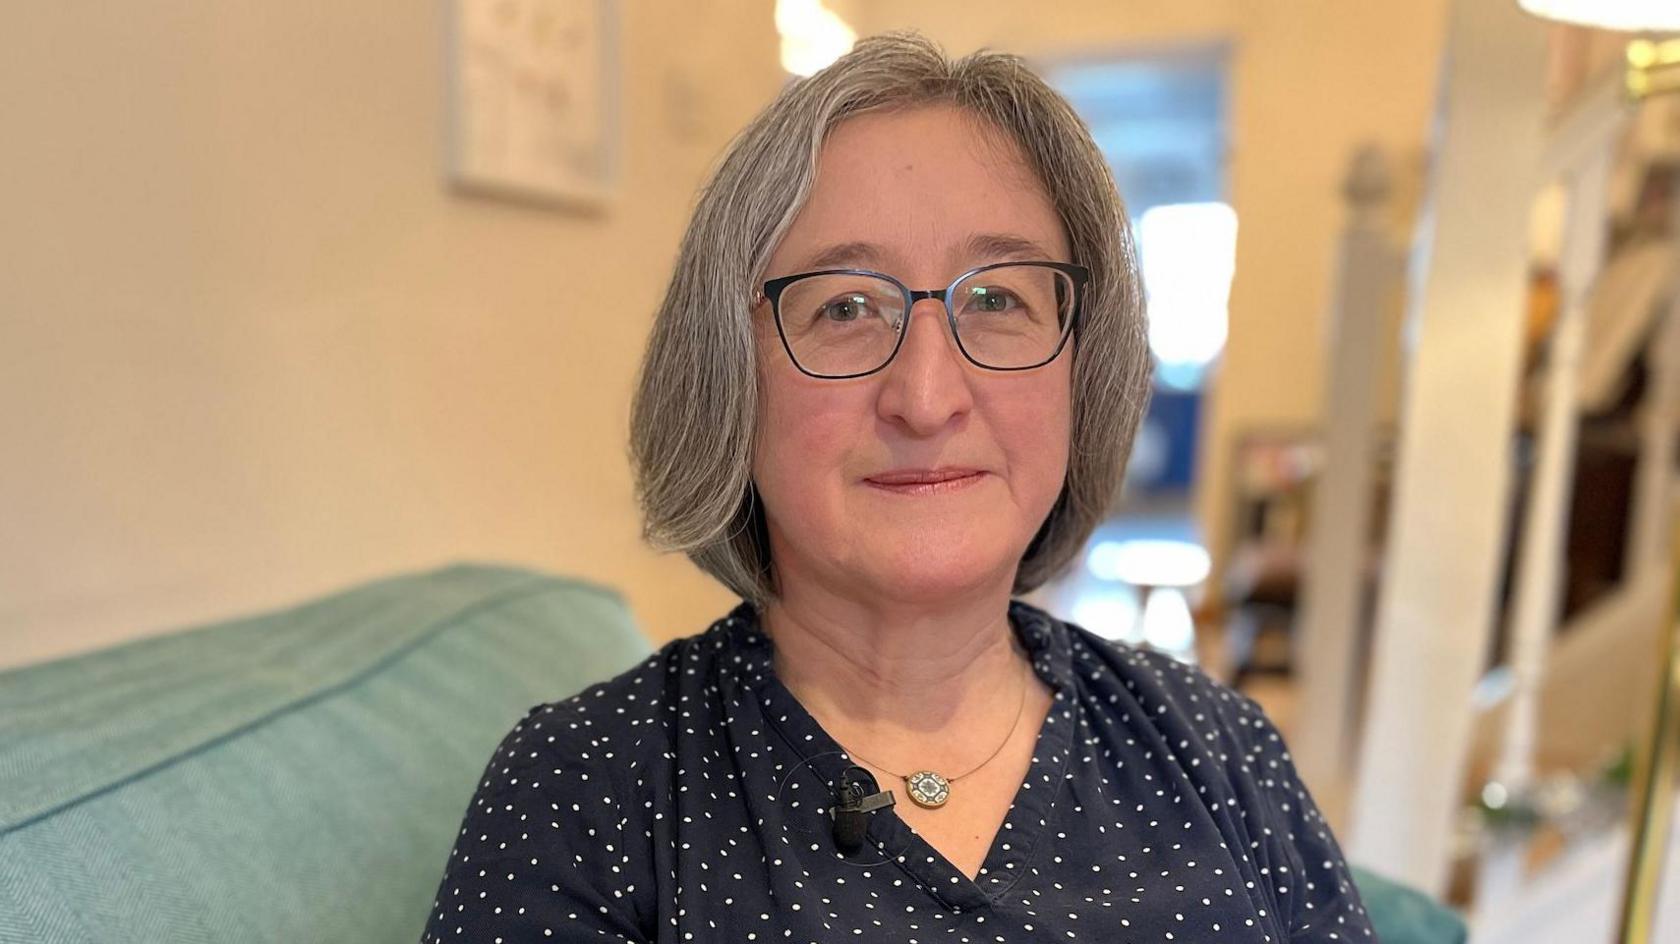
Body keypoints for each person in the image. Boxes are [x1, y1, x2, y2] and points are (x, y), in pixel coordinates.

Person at [421, 31, 1374, 943]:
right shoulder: (584, 788)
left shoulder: (1221, 749)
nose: (925, 398)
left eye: (997, 298)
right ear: (727, 380)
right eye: (845, 308)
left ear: (1084, 370)